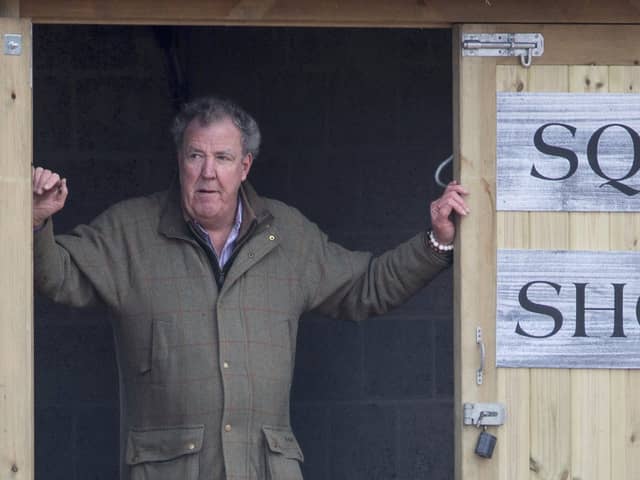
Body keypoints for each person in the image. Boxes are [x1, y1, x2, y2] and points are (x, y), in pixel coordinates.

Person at [33, 96, 469, 480]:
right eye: (194, 156)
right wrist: (35, 222)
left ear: (244, 167)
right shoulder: (129, 231)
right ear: (179, 161)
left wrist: (437, 241)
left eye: (222, 158)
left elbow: (367, 286)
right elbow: (57, 275)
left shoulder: (288, 235)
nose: (208, 172)